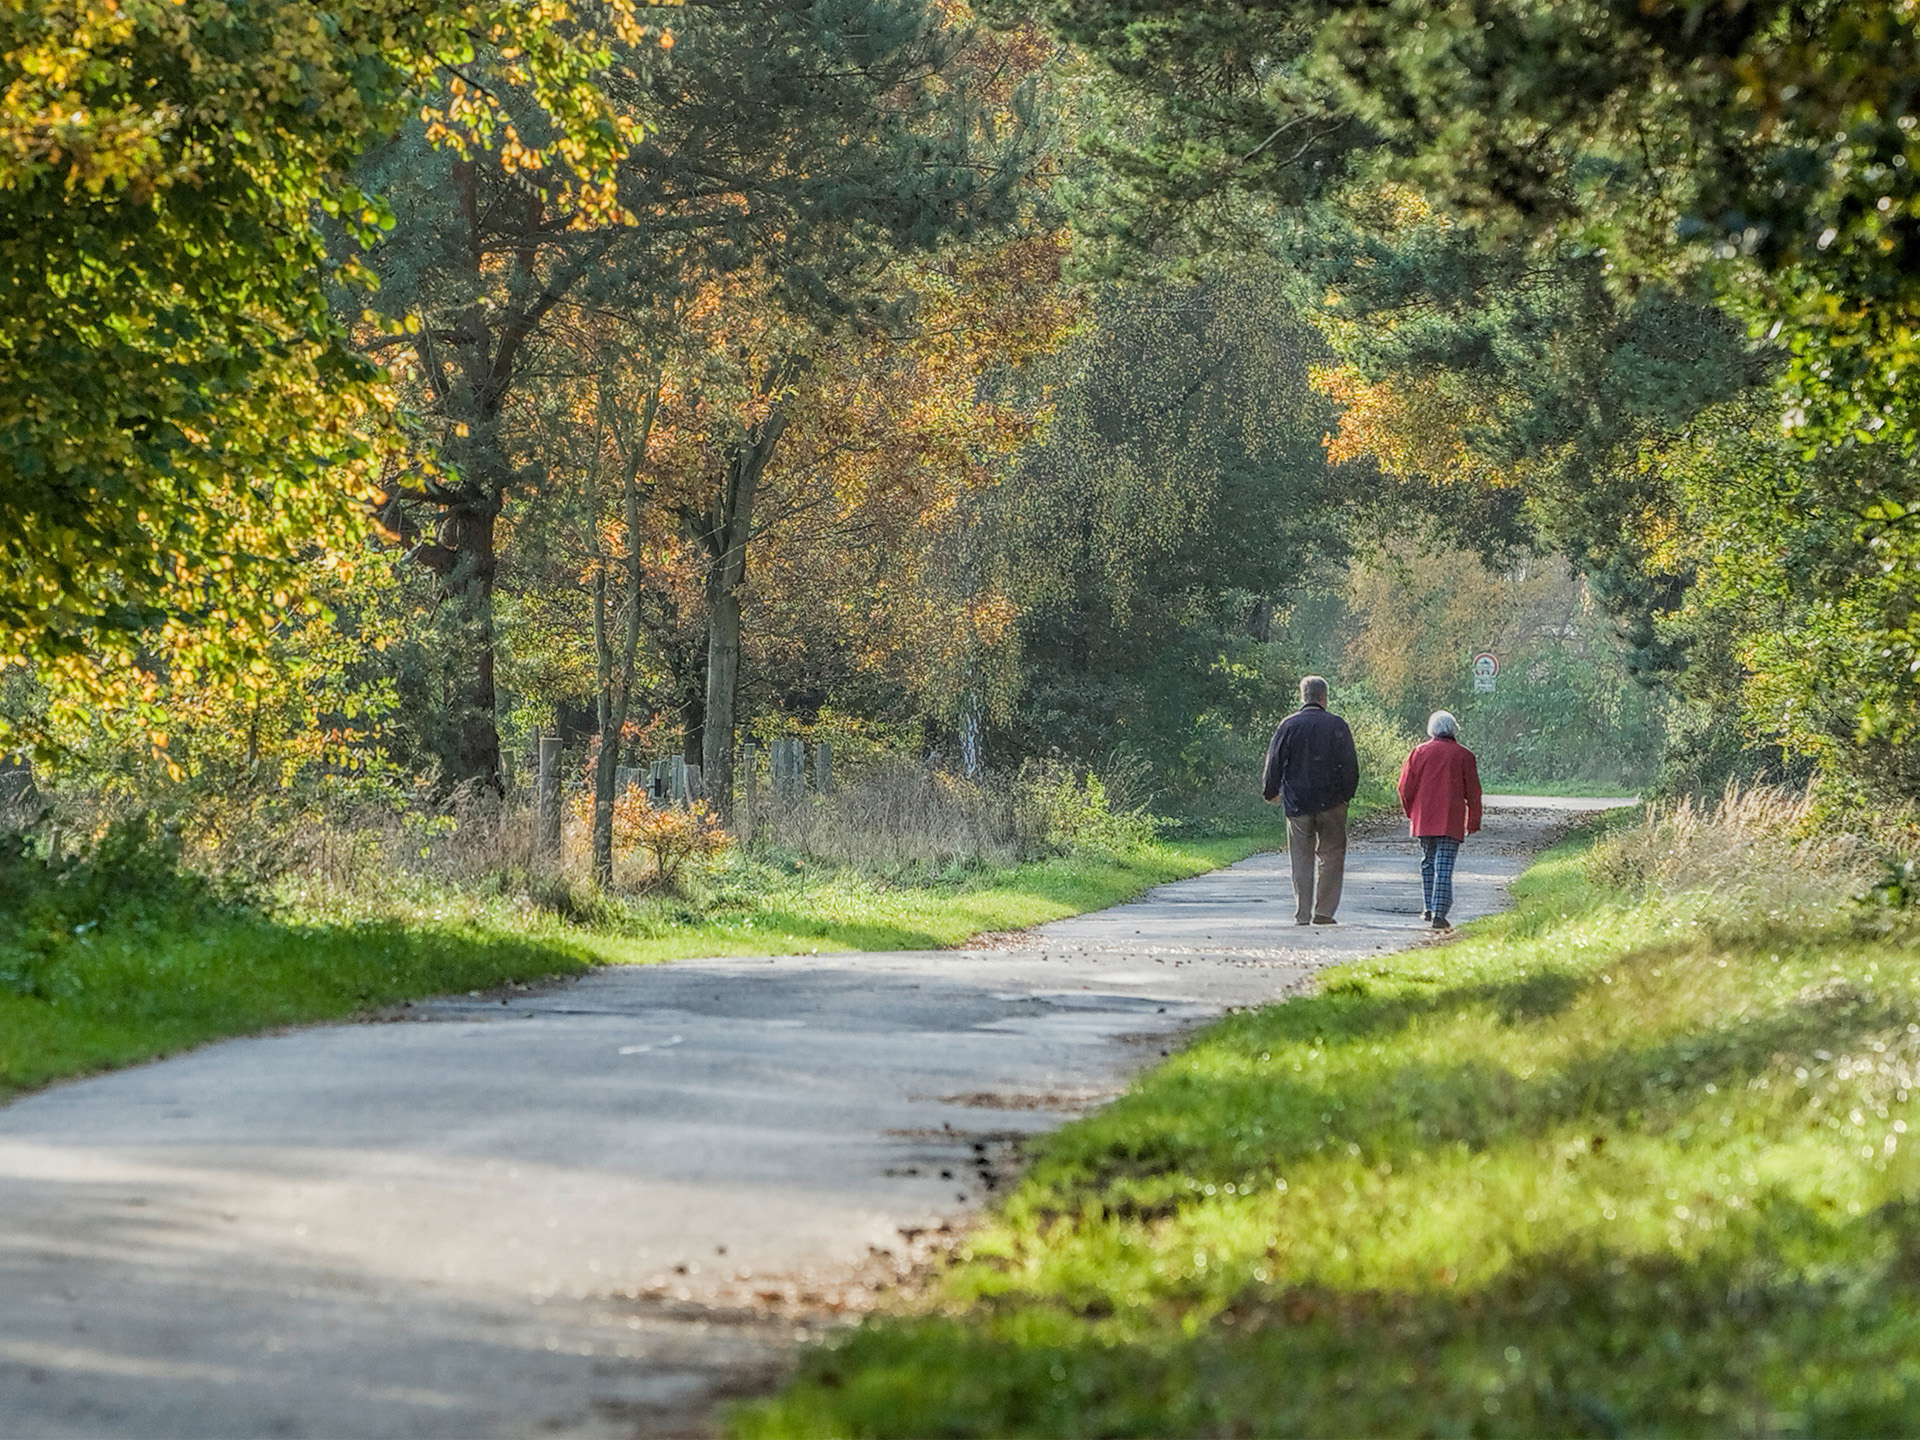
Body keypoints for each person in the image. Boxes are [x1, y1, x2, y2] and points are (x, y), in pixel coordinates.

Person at [1262, 675, 1360, 925]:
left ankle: (1302, 913)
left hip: (1297, 802)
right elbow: (1350, 766)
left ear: (1303, 696)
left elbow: (1274, 761)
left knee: (1301, 857)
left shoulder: (1288, 725)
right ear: (1323, 697)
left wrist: (1271, 790)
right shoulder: (1337, 725)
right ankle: (1324, 912)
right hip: (1332, 802)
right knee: (1331, 856)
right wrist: (1346, 795)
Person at [1397, 710, 1483, 931]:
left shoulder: (1418, 752)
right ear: (1453, 729)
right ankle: (1439, 913)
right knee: (1443, 866)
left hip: (1424, 819)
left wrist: (1411, 812)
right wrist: (1473, 820)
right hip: (1451, 820)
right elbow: (1473, 792)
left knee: (1428, 862)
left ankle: (1429, 907)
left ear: (1431, 730)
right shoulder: (1464, 756)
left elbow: (1405, 788)